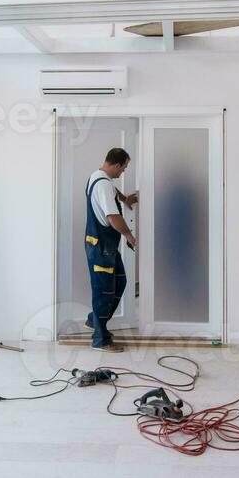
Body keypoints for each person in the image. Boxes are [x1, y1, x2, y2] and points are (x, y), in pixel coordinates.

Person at [84, 147, 139, 352]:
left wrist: (125, 199)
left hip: (102, 245)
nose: (123, 172)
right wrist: (129, 235)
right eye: (123, 168)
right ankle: (101, 339)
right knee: (104, 291)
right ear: (116, 165)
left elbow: (111, 192)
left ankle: (94, 320)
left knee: (120, 281)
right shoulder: (104, 185)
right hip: (102, 247)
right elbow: (113, 218)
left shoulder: (97, 177)